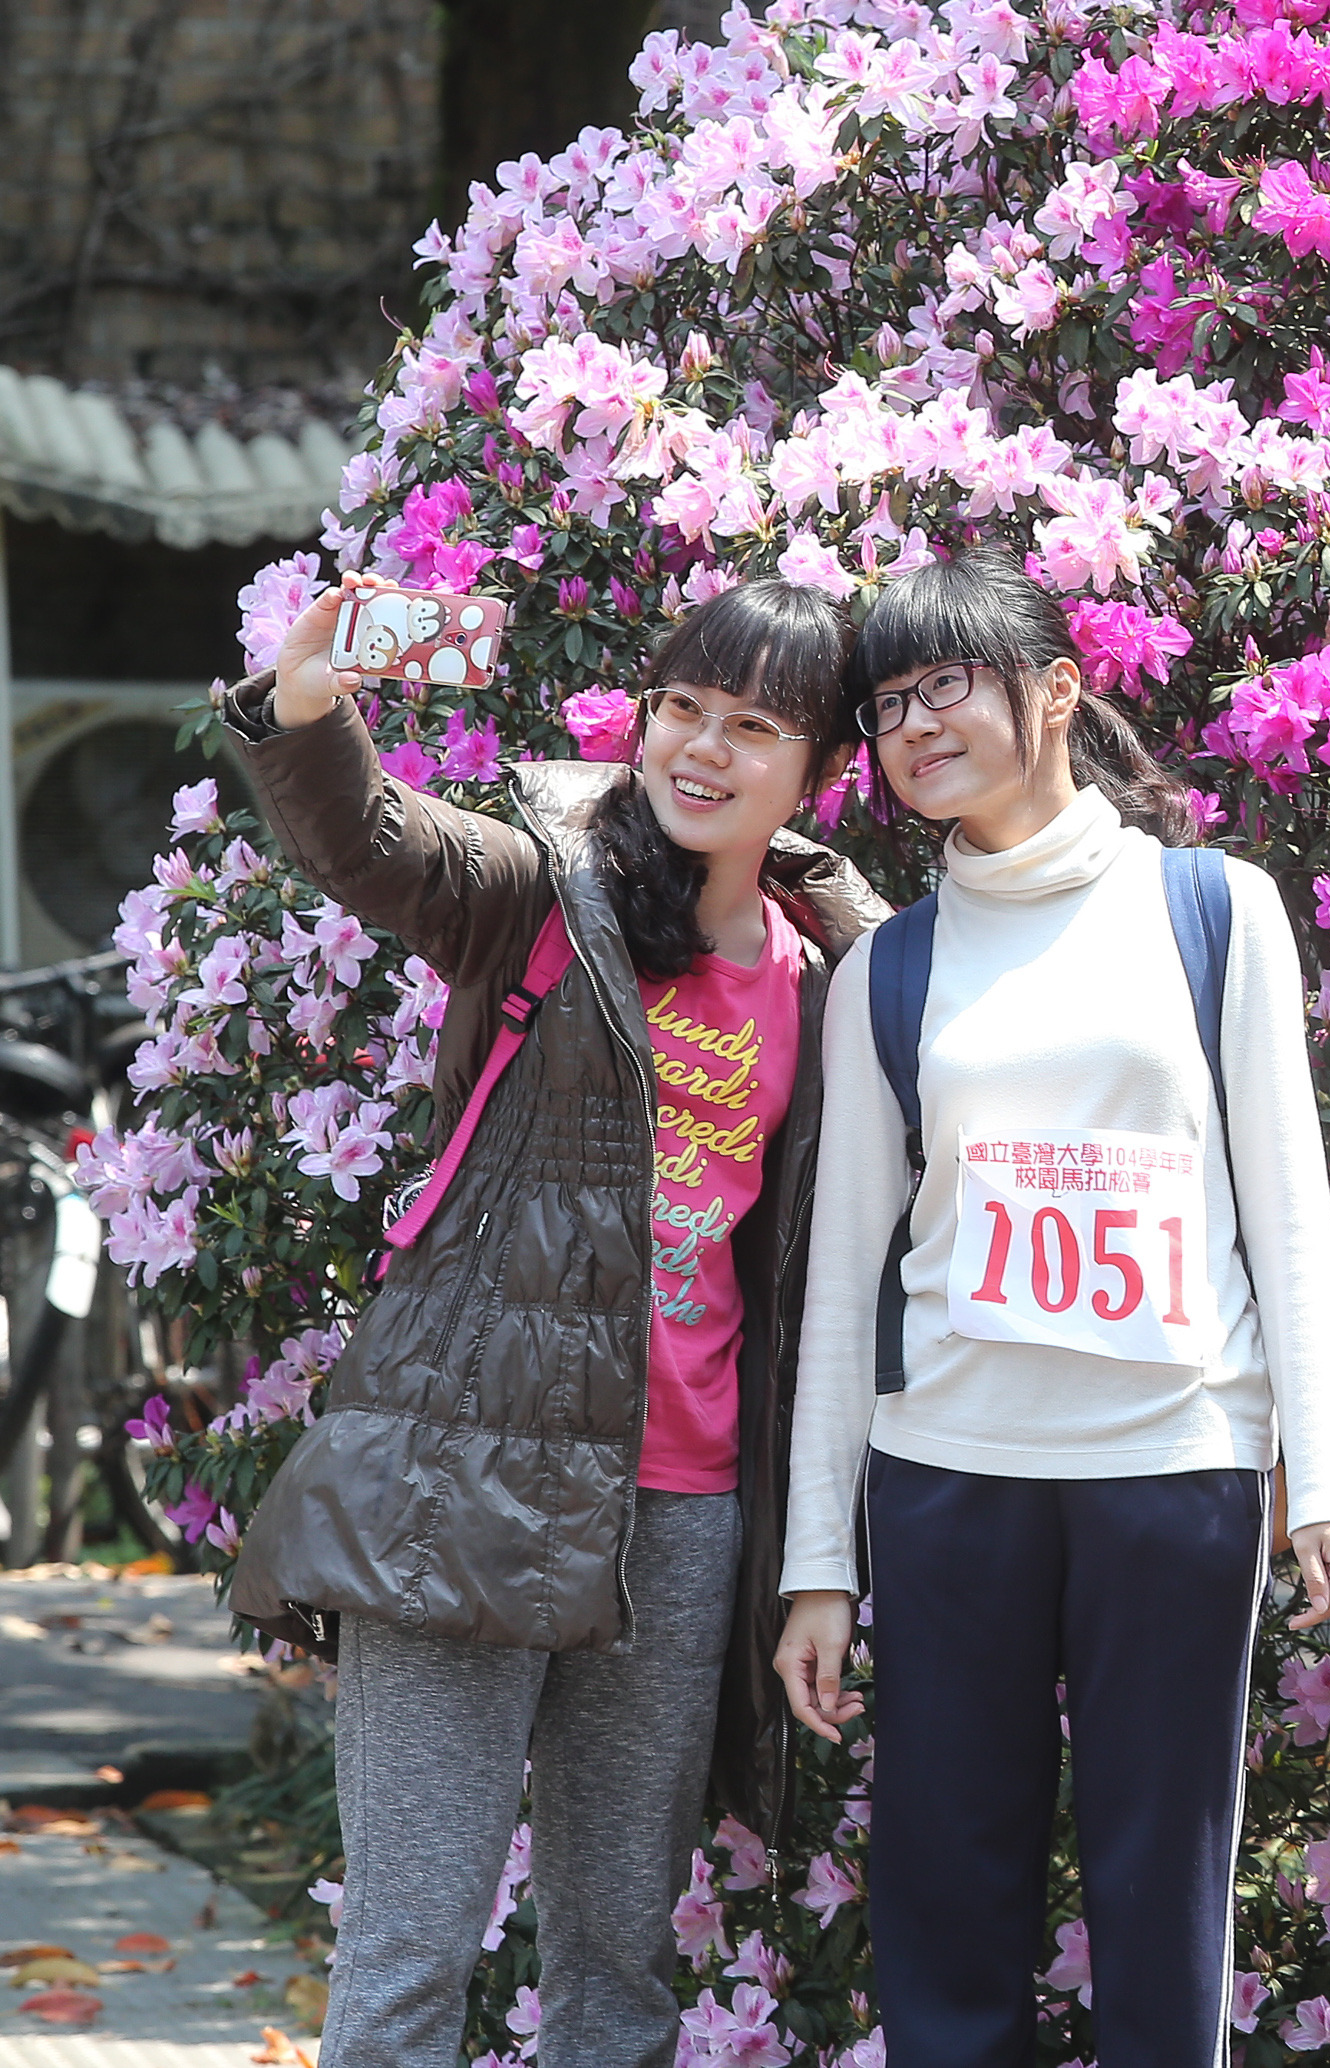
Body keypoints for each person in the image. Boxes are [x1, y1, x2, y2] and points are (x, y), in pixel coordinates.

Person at [219, 569, 888, 2068]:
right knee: (408, 1958)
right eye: (682, 706)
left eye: (754, 725)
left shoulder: (835, 972)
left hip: (685, 1510)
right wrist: (308, 703)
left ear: (819, 770)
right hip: (470, 1474)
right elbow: (374, 842)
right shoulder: (542, 891)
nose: (703, 747)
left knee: (617, 1966)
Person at [773, 546, 1330, 2068]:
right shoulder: (888, 970)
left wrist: (1327, 1474)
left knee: (1162, 1892)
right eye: (886, 705)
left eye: (945, 685)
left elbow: (1286, 1207)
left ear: (1054, 691)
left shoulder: (1215, 912)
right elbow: (847, 1277)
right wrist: (820, 1565)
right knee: (945, 1896)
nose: (913, 725)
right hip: (949, 1477)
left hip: (1172, 1469)